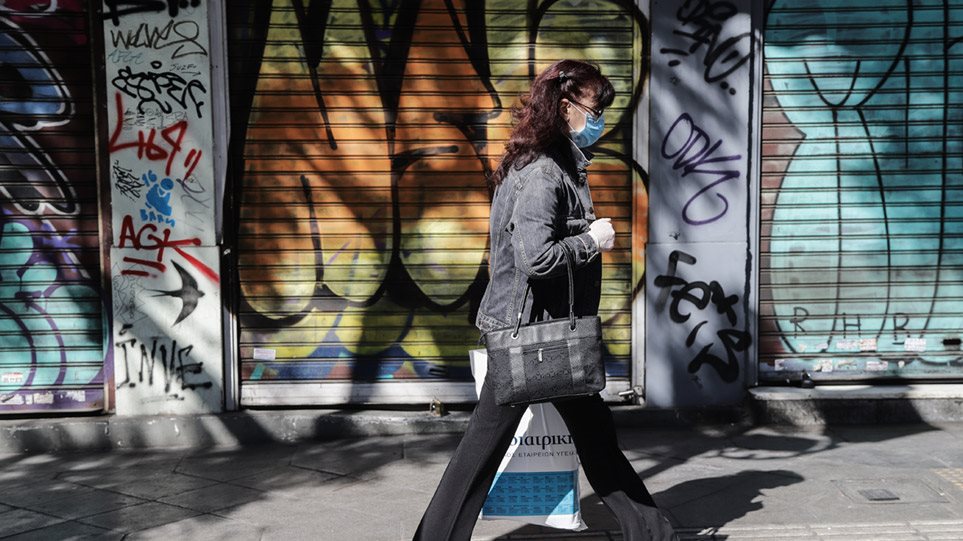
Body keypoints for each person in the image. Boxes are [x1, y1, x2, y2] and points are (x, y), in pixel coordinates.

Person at [413, 59, 678, 541]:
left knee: (595, 440)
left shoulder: (550, 163)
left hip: (551, 332)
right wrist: (590, 241)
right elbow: (535, 258)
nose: (600, 122)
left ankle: (653, 533)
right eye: (595, 111)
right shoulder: (544, 172)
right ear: (564, 106)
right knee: (482, 450)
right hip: (531, 335)